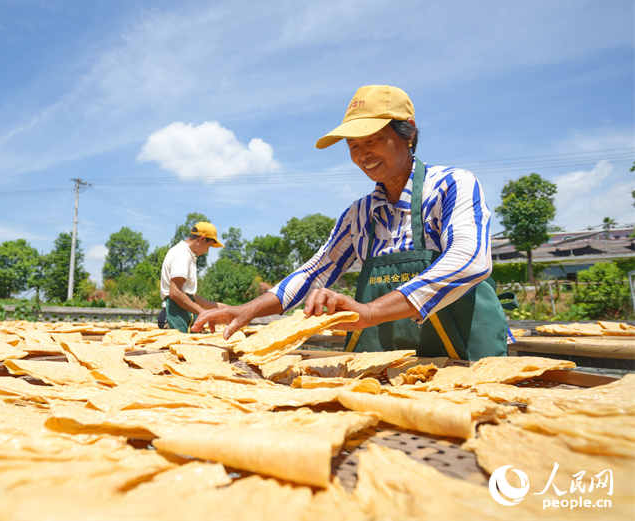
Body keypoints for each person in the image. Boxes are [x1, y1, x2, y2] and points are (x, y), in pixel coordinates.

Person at [192, 85, 513, 360]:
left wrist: (371, 312)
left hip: (466, 359)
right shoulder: (359, 215)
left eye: (373, 140)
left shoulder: (451, 185)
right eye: (353, 145)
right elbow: (313, 274)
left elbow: (470, 261)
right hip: (389, 365)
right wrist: (248, 310)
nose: (362, 154)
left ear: (409, 133)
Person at [160, 221, 228, 332]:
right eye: (209, 246)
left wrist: (217, 307)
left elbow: (189, 296)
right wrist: (203, 312)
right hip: (175, 313)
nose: (207, 251)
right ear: (202, 239)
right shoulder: (181, 254)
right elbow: (175, 293)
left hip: (181, 312)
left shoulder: (187, 255)